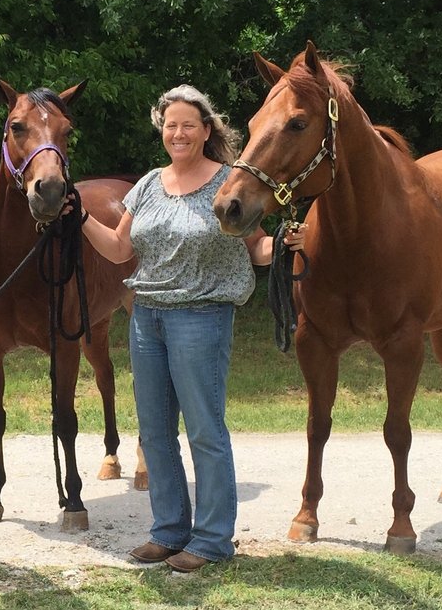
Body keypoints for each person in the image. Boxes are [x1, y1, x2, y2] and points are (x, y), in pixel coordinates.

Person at [67, 84, 306, 573]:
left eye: (188, 125)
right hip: (147, 316)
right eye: (170, 125)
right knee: (155, 433)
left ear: (206, 130)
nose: (178, 132)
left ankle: (213, 539)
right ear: (163, 130)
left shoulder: (228, 181)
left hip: (202, 316)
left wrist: (284, 244)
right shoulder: (151, 183)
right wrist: (79, 215)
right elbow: (117, 248)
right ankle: (169, 531)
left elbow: (255, 248)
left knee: (204, 430)